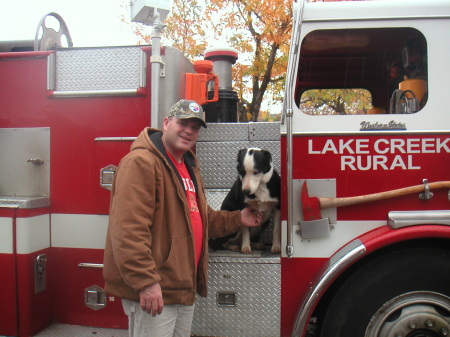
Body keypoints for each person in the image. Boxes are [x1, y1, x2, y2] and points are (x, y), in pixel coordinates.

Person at [103, 99, 262, 337]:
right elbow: (128, 230)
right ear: (166, 123)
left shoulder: (187, 165)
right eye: (183, 123)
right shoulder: (142, 163)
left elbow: (202, 218)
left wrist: (239, 218)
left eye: (195, 127)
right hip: (156, 289)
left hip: (181, 286)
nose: (189, 131)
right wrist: (145, 281)